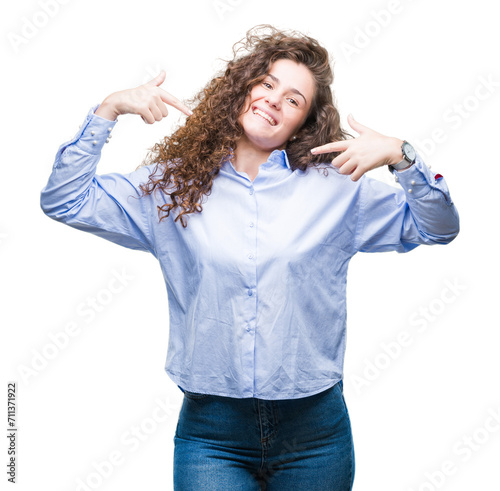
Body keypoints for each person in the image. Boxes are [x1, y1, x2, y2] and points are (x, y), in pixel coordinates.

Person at [40, 25, 459, 491]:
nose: (274, 100)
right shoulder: (171, 187)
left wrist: (403, 157)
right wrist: (108, 110)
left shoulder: (338, 189)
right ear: (242, 88)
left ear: (305, 122)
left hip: (315, 434)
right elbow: (65, 201)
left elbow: (436, 227)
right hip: (211, 434)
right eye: (267, 83)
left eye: (294, 99)